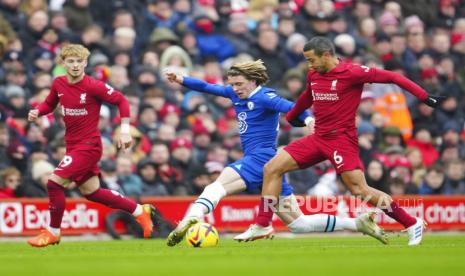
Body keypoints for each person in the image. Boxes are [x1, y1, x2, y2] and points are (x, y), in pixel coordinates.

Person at [236, 37, 444, 246]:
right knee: (272, 167)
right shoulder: (314, 74)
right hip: (318, 138)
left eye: (312, 60)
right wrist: (293, 116)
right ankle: (262, 224)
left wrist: (424, 96)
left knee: (360, 191)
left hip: (341, 140)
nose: (310, 65)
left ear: (326, 55)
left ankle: (411, 222)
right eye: (307, 61)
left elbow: (393, 77)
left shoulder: (353, 73)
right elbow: (308, 96)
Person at [164, 60, 387, 247]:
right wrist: (181, 79)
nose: (235, 88)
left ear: (253, 81)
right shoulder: (235, 94)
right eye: (232, 84)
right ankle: (357, 224)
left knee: (215, 187)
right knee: (299, 224)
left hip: (260, 158)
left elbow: (291, 106)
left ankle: (190, 219)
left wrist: (309, 119)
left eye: (239, 84)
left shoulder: (264, 97)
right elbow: (205, 86)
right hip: (269, 165)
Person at [26, 44, 156, 247]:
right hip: (73, 145)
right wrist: (38, 111)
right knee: (92, 192)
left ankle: (53, 232)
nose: (76, 65)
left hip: (89, 146)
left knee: (53, 183)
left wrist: (124, 130)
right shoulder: (59, 83)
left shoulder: (93, 85)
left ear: (85, 63)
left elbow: (122, 101)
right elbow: (50, 104)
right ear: (63, 63)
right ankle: (140, 211)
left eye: (79, 61)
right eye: (71, 61)